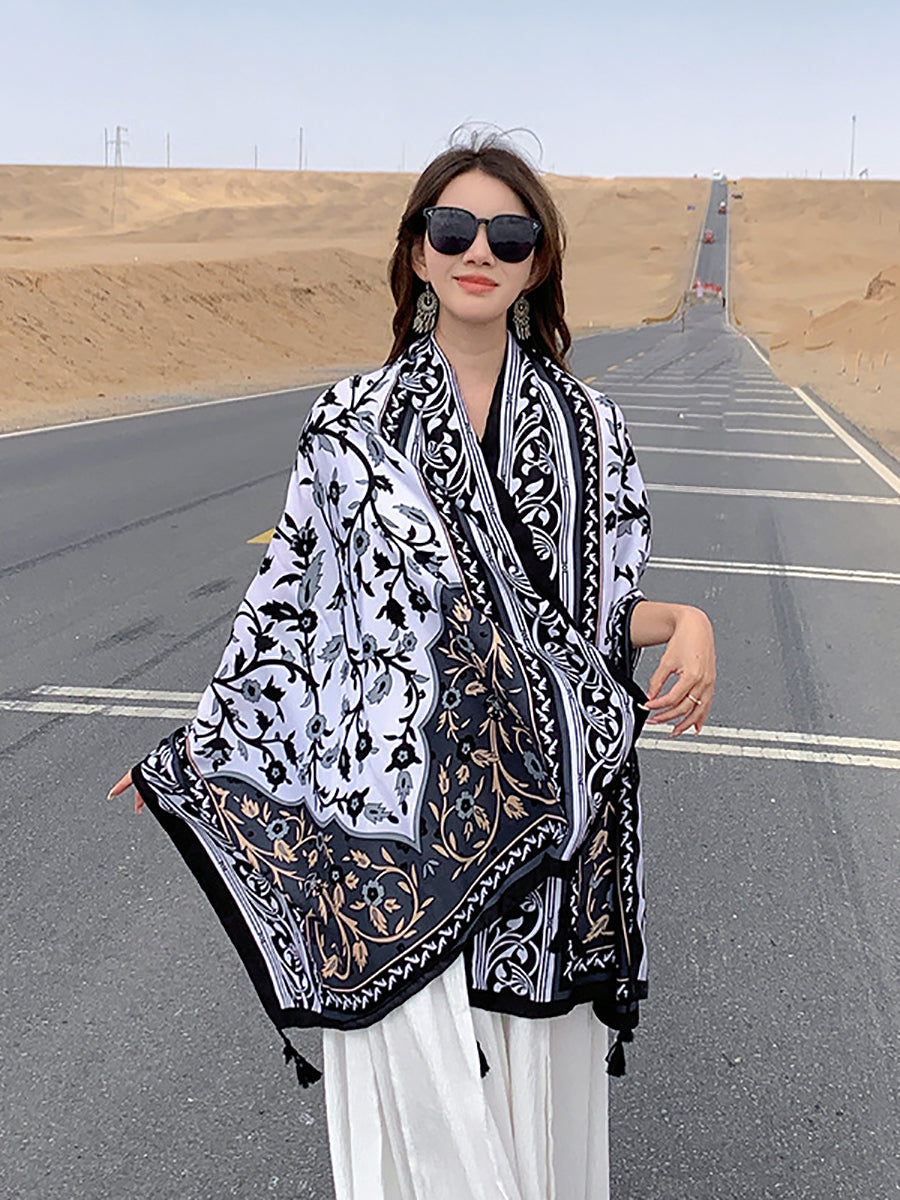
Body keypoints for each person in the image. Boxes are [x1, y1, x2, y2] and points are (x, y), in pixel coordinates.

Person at [109, 133, 716, 1200]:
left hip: (548, 839)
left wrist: (689, 620)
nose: (481, 250)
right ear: (418, 251)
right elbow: (292, 610)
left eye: (510, 234)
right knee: (422, 1142)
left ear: (538, 260)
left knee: (529, 1124)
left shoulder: (593, 430)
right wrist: (201, 755)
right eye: (455, 228)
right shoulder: (350, 424)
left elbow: (587, 623)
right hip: (392, 837)